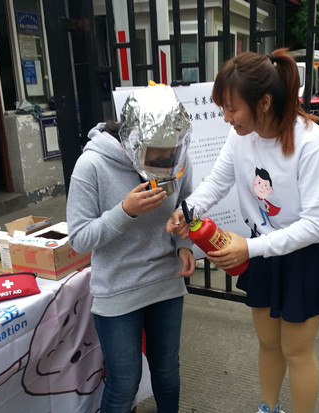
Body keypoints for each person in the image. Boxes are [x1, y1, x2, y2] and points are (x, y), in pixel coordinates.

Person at [167, 49, 319, 413]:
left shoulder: (311, 142)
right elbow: (217, 181)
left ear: (264, 102)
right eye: (222, 108)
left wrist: (250, 249)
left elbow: (317, 224)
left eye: (232, 109)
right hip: (264, 250)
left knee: (296, 351)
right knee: (268, 343)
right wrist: (187, 211)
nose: (226, 118)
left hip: (305, 255)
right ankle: (268, 407)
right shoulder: (241, 136)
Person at [67, 84, 195, 413]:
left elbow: (186, 207)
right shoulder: (92, 165)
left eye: (171, 153)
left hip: (166, 282)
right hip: (117, 289)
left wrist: (183, 244)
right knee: (124, 382)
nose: (165, 161)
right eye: (156, 154)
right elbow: (79, 238)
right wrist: (125, 211)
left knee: (167, 370)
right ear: (133, 138)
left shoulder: (178, 157)